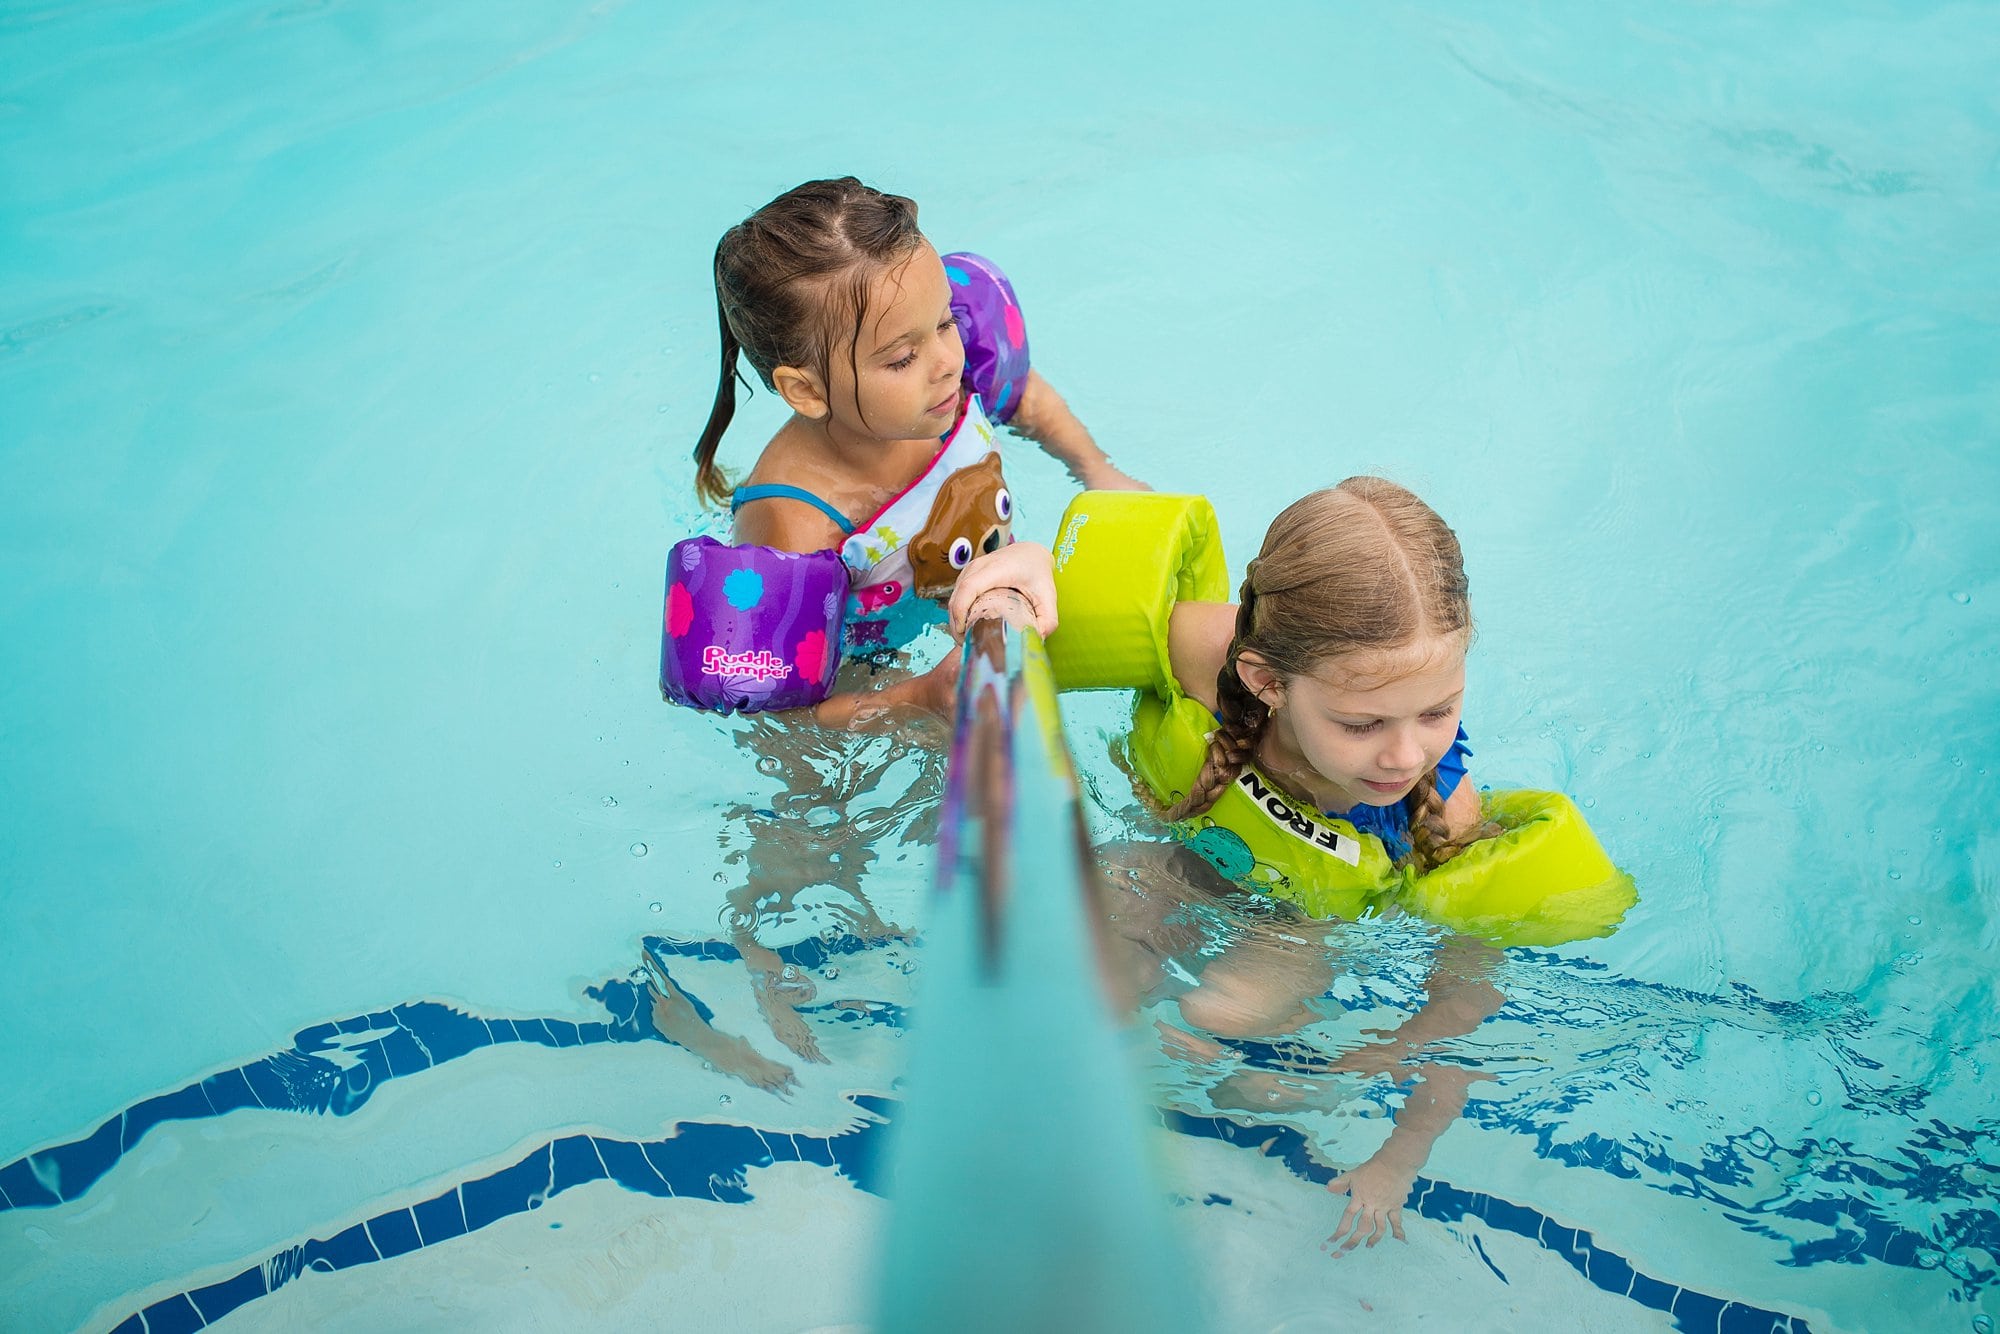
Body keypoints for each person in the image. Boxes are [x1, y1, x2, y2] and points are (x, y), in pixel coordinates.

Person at [1048, 478, 1631, 1253]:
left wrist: (1402, 1145)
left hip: (1302, 923)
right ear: (1266, 683)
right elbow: (1032, 640)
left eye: (1438, 710)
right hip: (1184, 861)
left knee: (1228, 1032)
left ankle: (1249, 1058)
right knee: (1077, 964)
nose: (1404, 754)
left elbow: (1468, 992)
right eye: (1360, 723)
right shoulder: (1200, 656)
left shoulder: (1439, 814)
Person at [689, 176, 1146, 728]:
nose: (947, 360)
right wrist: (919, 699)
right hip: (876, 662)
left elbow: (1024, 397)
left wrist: (1095, 470)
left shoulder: (943, 378)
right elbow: (785, 718)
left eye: (946, 321)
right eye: (902, 358)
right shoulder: (796, 524)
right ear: (807, 391)